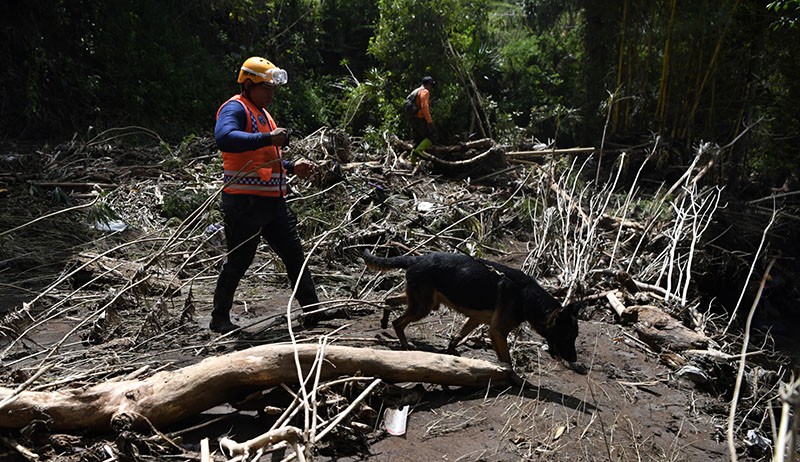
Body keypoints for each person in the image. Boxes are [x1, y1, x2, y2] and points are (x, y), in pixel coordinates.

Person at [210, 56, 330, 333]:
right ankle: (219, 318)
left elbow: (263, 158)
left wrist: (291, 166)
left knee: (294, 255)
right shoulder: (235, 108)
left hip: (272, 203)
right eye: (267, 88)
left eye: (273, 89)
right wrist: (268, 139)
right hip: (245, 204)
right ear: (249, 84)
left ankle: (312, 310)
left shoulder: (262, 113)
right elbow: (224, 138)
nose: (271, 94)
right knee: (239, 261)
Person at [407, 76, 438, 149]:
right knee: (432, 136)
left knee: (418, 141)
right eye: (431, 85)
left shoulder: (416, 91)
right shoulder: (425, 92)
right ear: (428, 84)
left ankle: (413, 159)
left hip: (413, 119)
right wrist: (430, 122)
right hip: (420, 119)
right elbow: (425, 107)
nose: (431, 88)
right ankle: (418, 151)